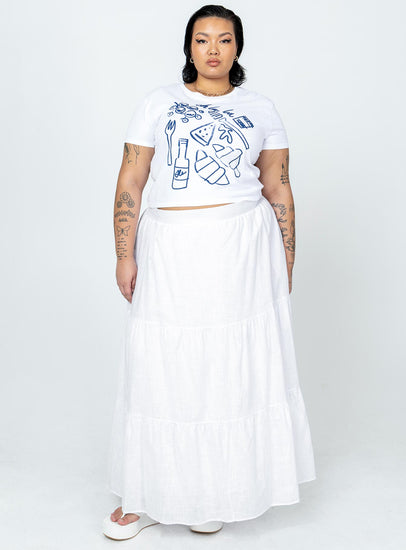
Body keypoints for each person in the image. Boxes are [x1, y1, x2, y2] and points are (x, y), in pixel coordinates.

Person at [102, 4, 316, 540]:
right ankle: (148, 494)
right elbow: (130, 181)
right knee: (162, 365)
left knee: (225, 367)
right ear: (189, 47)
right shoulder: (157, 103)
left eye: (224, 39)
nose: (213, 49)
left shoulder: (261, 109)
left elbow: (278, 186)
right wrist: (125, 253)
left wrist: (286, 259)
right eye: (202, 39)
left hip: (240, 249)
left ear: (237, 48)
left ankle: (213, 492)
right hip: (171, 246)